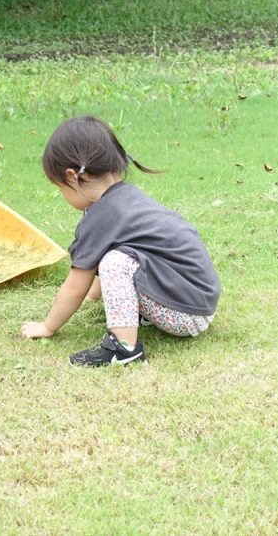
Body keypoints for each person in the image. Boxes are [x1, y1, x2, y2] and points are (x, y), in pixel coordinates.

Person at [20, 115, 220, 366]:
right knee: (119, 256)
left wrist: (47, 326)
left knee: (116, 262)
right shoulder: (126, 199)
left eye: (60, 188)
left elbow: (75, 286)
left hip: (185, 314)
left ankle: (124, 348)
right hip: (198, 303)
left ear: (73, 177)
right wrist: (96, 294)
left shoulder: (103, 215)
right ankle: (136, 320)